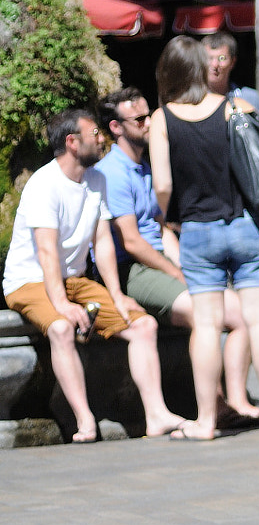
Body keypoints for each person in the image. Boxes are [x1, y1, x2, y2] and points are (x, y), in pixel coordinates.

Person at [149, 36, 259, 440]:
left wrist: (169, 218)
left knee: (206, 325)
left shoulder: (162, 119)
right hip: (246, 227)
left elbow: (163, 184)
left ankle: (205, 422)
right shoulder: (235, 107)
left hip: (198, 231)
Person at [3, 109, 186, 442]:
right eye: (95, 134)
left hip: (73, 279)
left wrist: (116, 295)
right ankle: (84, 420)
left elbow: (102, 242)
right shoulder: (44, 184)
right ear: (72, 142)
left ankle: (156, 414)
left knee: (143, 324)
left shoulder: (96, 179)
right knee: (60, 327)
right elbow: (46, 252)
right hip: (30, 280)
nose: (102, 138)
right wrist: (62, 304)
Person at [98, 87, 259, 423]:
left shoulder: (144, 166)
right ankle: (213, 405)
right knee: (206, 314)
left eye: (150, 116)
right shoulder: (113, 172)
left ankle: (234, 400)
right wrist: (177, 274)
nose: (149, 124)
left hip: (160, 260)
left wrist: (186, 264)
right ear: (116, 127)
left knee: (242, 313)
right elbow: (131, 241)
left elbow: (161, 230)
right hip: (134, 269)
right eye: (140, 119)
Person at [203, 32, 259, 115]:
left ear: (232, 62)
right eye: (209, 58)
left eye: (221, 58)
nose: (215, 65)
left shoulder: (249, 98)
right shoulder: (192, 99)